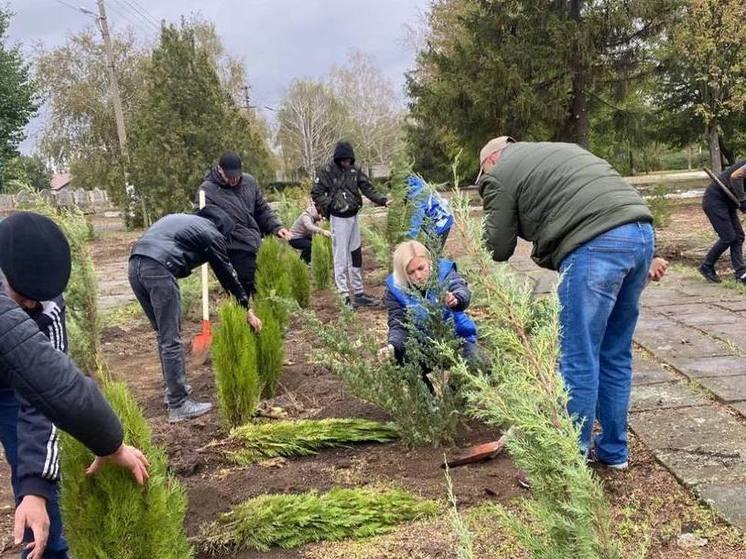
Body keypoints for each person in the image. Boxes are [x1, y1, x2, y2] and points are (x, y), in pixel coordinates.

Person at [478, 136, 666, 470]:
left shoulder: (499, 172)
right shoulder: (559, 150)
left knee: (577, 356)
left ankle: (569, 461)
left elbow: (498, 246)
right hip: (640, 234)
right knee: (614, 352)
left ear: (490, 161)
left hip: (595, 244)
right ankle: (614, 453)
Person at [0, 212, 150, 558]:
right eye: (23, 298)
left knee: (38, 495)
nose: (31, 307)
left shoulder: (46, 305)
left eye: (39, 299)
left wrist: (35, 489)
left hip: (13, 381)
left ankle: (45, 548)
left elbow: (51, 392)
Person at [128, 205, 261, 423]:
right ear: (222, 229)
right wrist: (246, 309)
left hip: (135, 266)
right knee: (171, 338)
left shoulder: (181, 219)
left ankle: (172, 391)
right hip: (160, 269)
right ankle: (179, 403)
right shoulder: (211, 233)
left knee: (163, 335)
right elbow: (226, 273)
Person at [197, 152, 291, 298]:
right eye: (229, 176)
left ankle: (260, 316)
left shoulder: (249, 182)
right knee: (242, 292)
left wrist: (276, 227)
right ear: (220, 170)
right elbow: (203, 222)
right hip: (232, 249)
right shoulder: (207, 190)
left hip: (254, 244)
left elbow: (262, 209)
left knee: (265, 288)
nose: (234, 179)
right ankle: (243, 316)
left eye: (237, 175)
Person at [312, 141, 390, 308]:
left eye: (349, 160)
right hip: (338, 219)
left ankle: (359, 291)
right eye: (343, 160)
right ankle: (344, 295)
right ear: (338, 159)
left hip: (353, 216)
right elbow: (316, 192)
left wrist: (383, 201)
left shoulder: (355, 170)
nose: (346, 163)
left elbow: (367, 187)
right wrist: (332, 204)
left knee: (355, 254)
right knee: (340, 256)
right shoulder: (327, 171)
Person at [380, 240, 478, 366]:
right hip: (422, 344)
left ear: (429, 262)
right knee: (398, 363)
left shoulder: (444, 271)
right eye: (411, 272)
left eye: (421, 268)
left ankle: (452, 385)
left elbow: (460, 288)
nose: (418, 276)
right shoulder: (396, 288)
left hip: (457, 338)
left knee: (477, 364)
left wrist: (456, 299)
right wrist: (393, 346)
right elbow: (399, 324)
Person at [699, 160, 746, 283]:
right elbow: (736, 177)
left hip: (728, 202)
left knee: (738, 236)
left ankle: (741, 274)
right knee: (728, 237)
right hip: (715, 200)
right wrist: (743, 200)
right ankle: (706, 266)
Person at [405, 175, 454, 250]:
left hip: (440, 225)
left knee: (430, 256)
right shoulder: (414, 184)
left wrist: (407, 243)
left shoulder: (417, 197)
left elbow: (415, 222)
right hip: (441, 220)